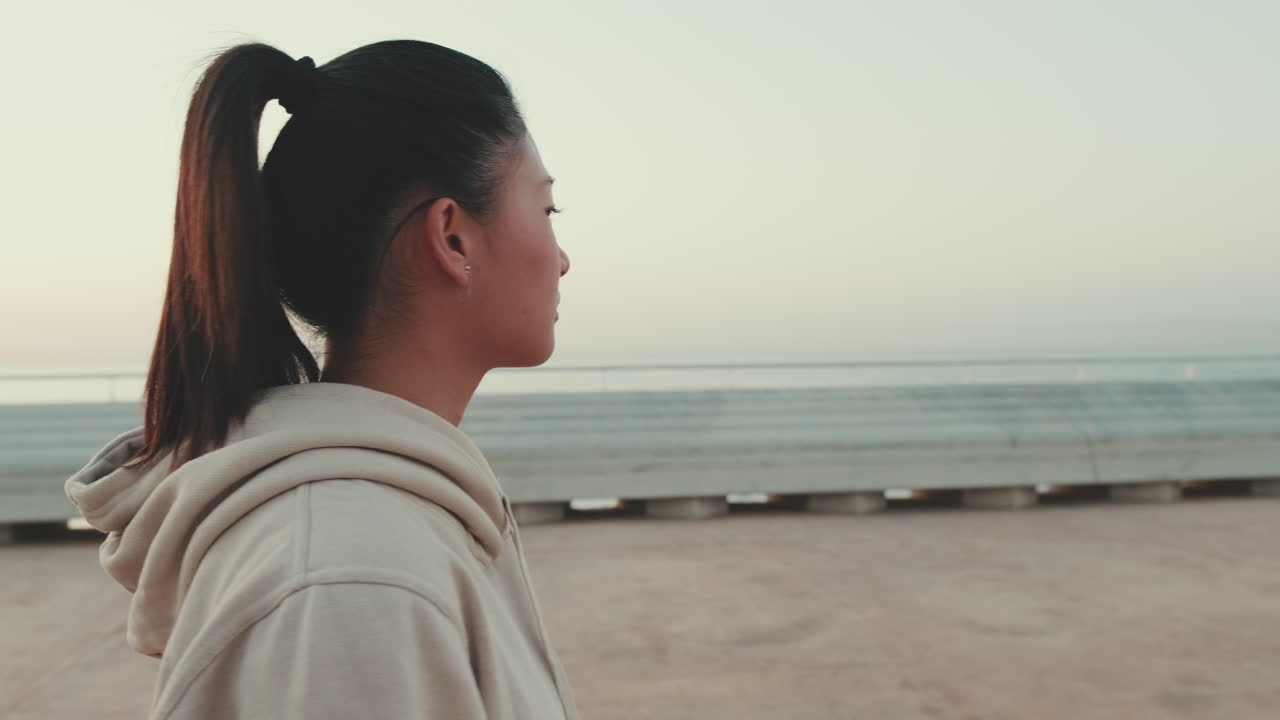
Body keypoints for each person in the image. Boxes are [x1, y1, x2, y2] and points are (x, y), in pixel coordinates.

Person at [64, 40, 578, 719]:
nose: (563, 258)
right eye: (547, 211)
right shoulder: (355, 581)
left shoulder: (387, 537)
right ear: (452, 238)